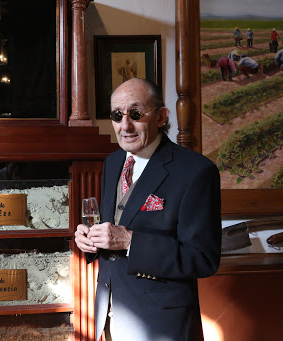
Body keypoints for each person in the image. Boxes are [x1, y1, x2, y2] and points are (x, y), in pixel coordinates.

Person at [74, 78, 222, 341]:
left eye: (135, 113)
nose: (125, 126)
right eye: (117, 116)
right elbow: (114, 231)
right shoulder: (113, 162)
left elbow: (203, 259)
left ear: (161, 116)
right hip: (108, 318)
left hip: (161, 325)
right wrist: (92, 241)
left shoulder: (196, 171)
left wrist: (130, 242)